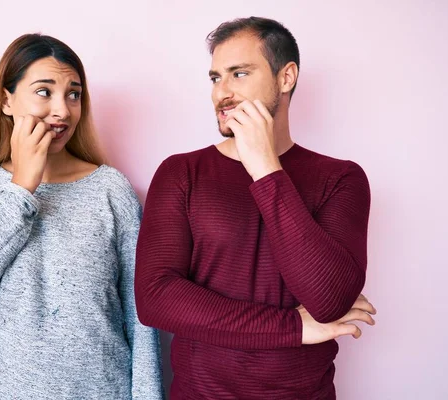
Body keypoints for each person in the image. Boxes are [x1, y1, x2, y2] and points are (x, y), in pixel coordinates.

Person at [135, 17, 375, 399]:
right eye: (215, 78)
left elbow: (330, 300)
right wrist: (292, 328)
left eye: (239, 74)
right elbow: (156, 299)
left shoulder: (341, 179)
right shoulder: (181, 172)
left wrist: (265, 169)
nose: (221, 93)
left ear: (286, 77)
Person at [0, 33, 163, 400]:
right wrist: (21, 188)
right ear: (6, 100)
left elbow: (141, 318)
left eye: (73, 94)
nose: (62, 110)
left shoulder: (110, 189)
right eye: (44, 92)